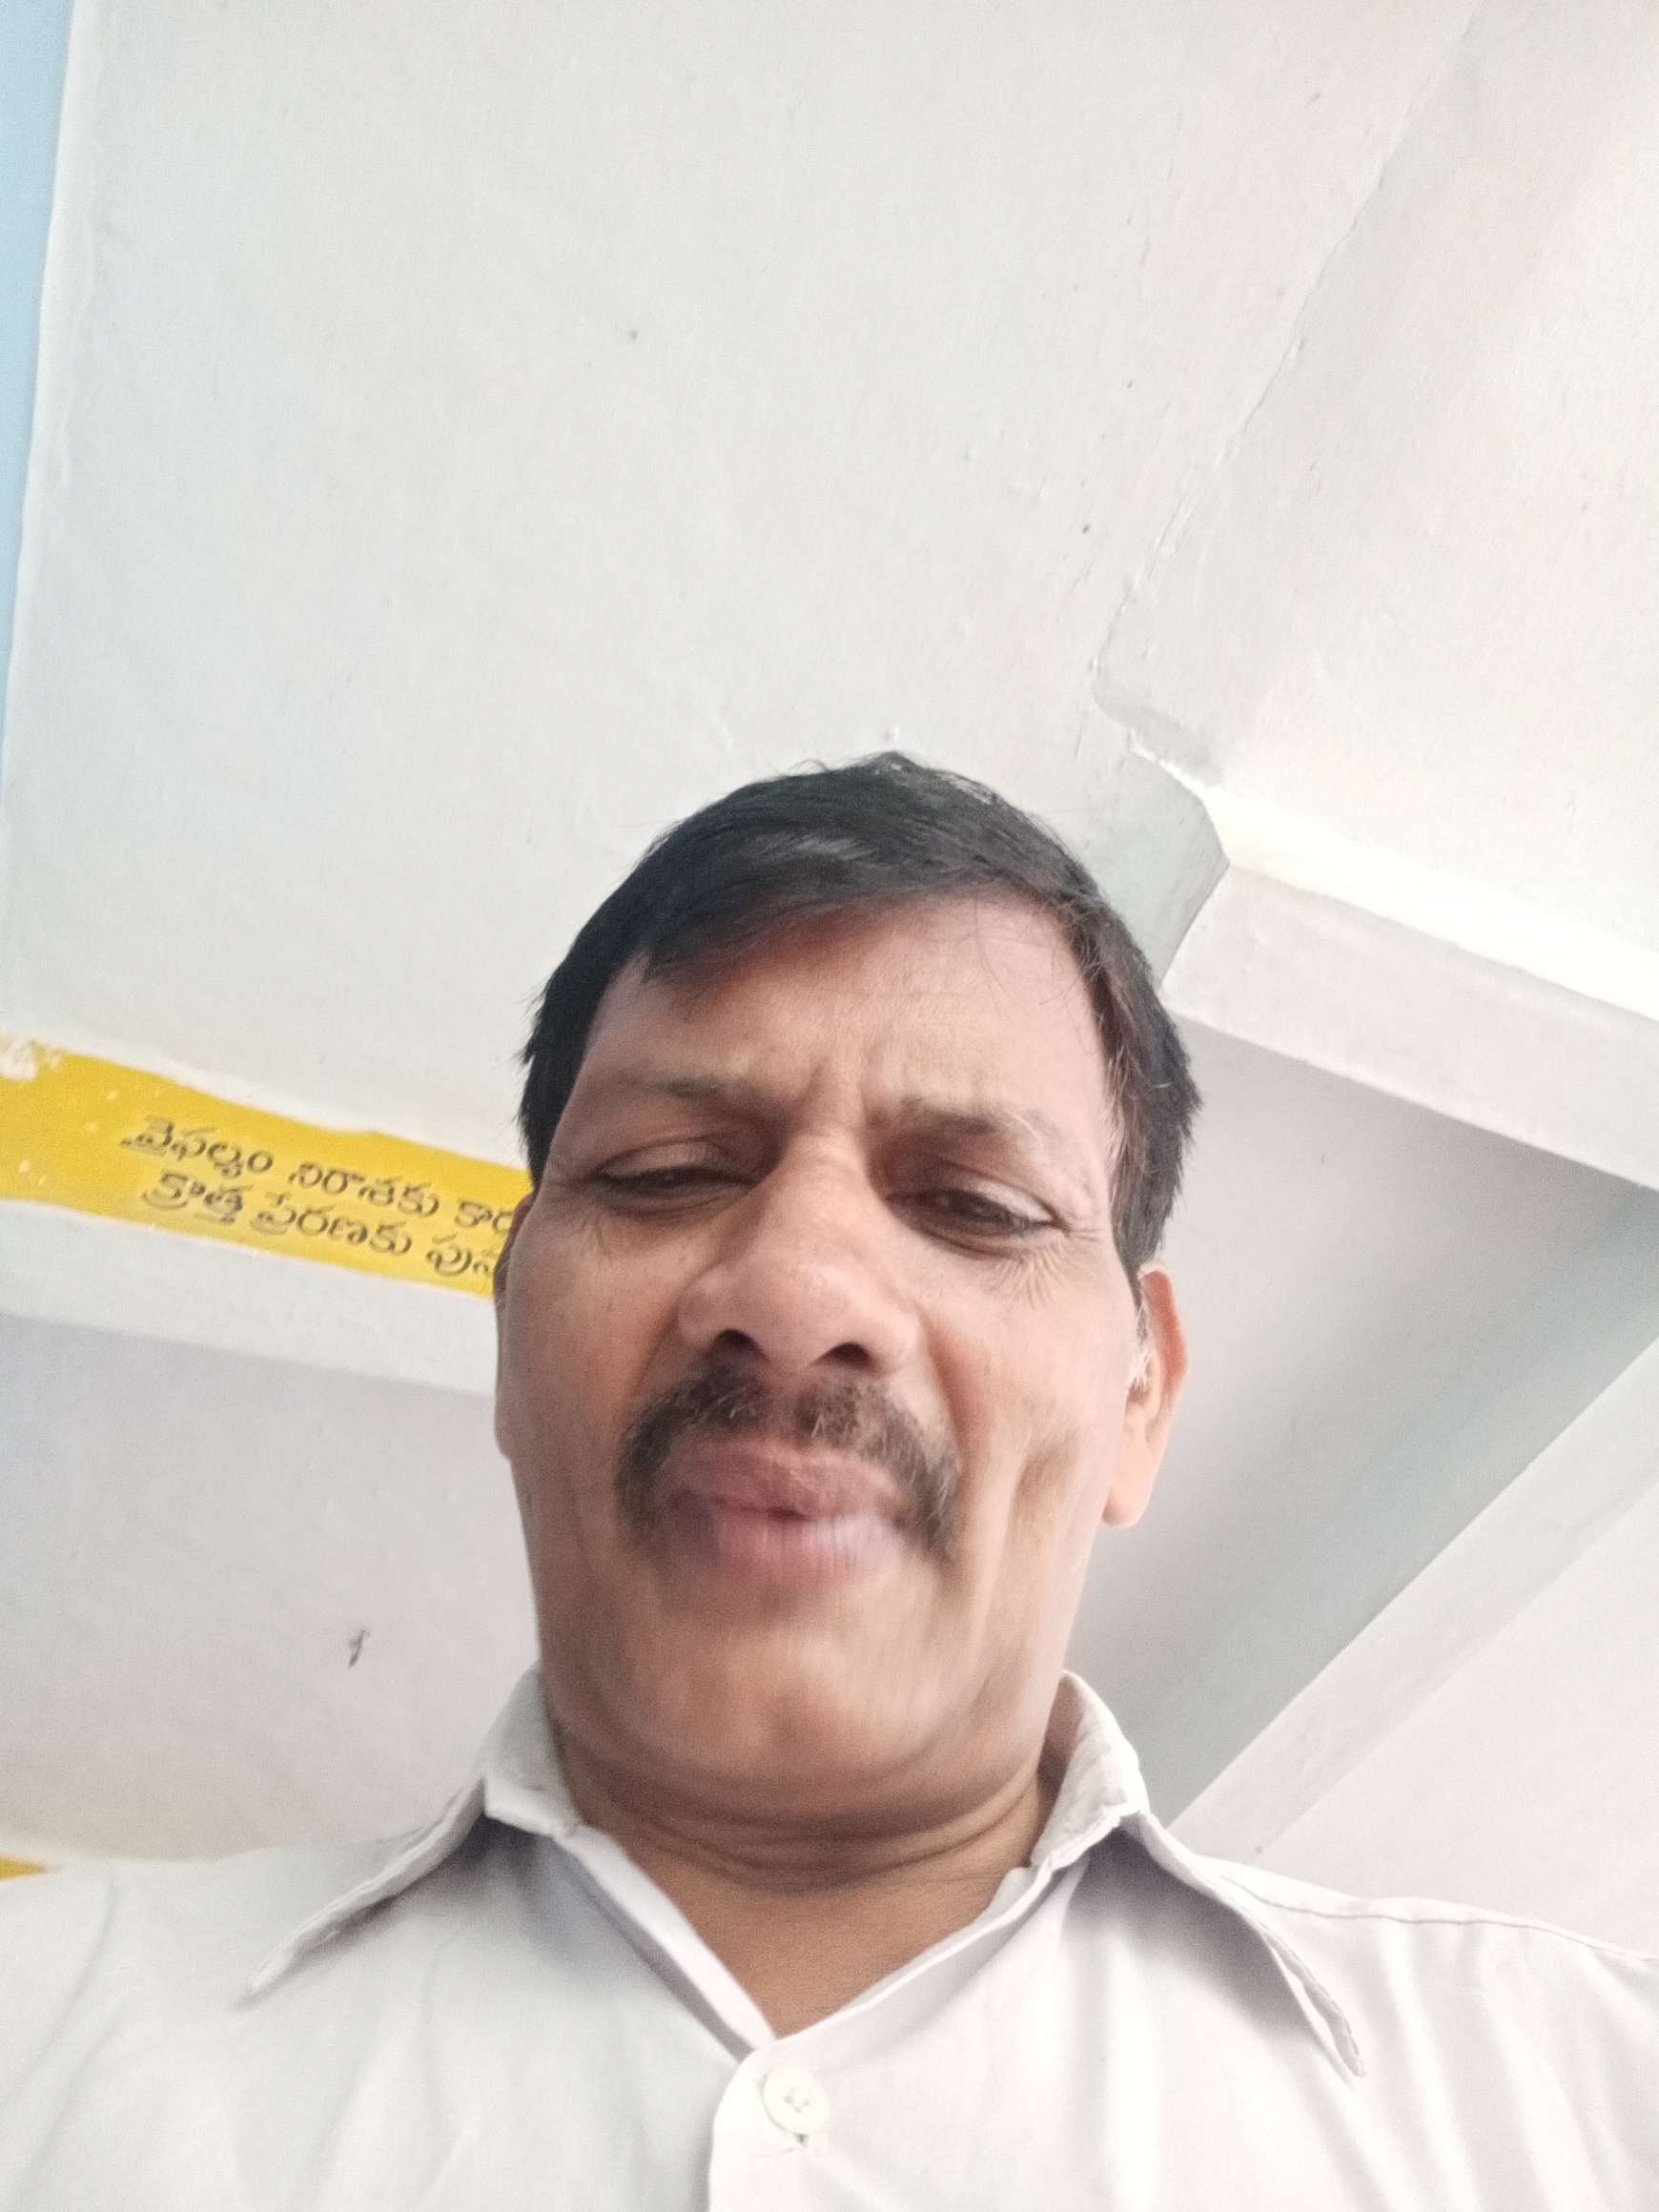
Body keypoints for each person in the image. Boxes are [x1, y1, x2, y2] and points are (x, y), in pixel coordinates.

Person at [2, 754, 1652, 2208]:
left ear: (1140, 1396)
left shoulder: (1586, 2110)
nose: (793, 1291)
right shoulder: (41, 2038)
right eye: (665, 1173)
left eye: (977, 1206)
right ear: (509, 1338)